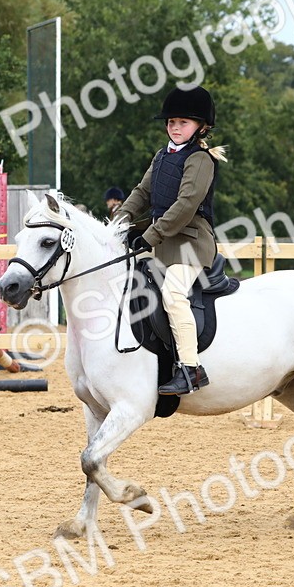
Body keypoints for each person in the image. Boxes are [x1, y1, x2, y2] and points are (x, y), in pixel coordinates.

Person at [113, 84, 226, 396]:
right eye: (171, 122)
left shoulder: (200, 160)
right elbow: (142, 192)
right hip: (162, 243)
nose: (175, 128)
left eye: (183, 123)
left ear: (200, 127)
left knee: (173, 294)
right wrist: (117, 223)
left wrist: (149, 235)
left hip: (191, 244)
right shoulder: (162, 156)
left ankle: (191, 369)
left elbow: (186, 205)